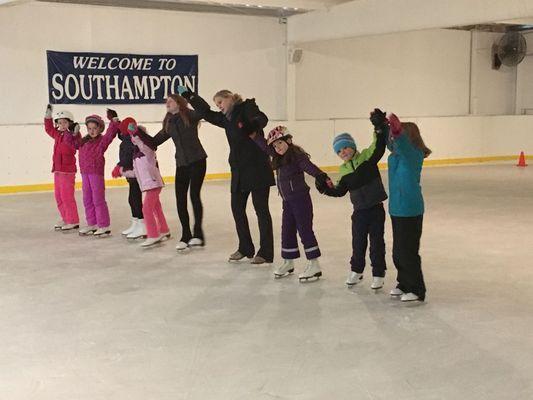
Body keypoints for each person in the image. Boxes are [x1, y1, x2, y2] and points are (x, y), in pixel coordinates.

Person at [181, 88, 275, 264]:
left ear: (230, 98)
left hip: (257, 168)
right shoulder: (225, 118)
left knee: (261, 210)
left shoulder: (247, 107)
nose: (219, 106)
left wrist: (252, 126)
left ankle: (265, 252)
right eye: (217, 104)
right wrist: (190, 96)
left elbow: (261, 118)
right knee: (237, 208)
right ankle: (245, 247)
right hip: (239, 170)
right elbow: (207, 113)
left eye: (220, 102)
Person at [251, 125, 331, 281]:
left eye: (280, 143)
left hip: (301, 200)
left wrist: (321, 175)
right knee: (286, 230)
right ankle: (288, 261)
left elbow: (310, 167)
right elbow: (264, 146)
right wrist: (253, 134)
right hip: (287, 201)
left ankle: (314, 264)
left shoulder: (297, 156)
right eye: (274, 145)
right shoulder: (278, 157)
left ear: (288, 140)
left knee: (305, 230)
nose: (277, 148)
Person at [321, 109, 388, 289]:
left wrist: (379, 127)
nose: (343, 152)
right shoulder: (343, 171)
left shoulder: (367, 157)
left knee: (376, 242)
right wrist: (325, 189)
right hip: (359, 212)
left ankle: (378, 273)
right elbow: (339, 191)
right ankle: (356, 271)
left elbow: (379, 145)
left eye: (345, 147)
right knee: (358, 243)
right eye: (339, 151)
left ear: (353, 146)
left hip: (375, 209)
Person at [149, 93, 207, 252]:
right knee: (180, 199)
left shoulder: (190, 115)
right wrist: (134, 134)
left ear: (179, 103)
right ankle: (186, 235)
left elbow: (204, 110)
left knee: (194, 196)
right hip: (182, 164)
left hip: (198, 161)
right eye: (166, 101)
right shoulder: (169, 122)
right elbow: (154, 141)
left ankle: (198, 234)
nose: (167, 103)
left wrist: (191, 96)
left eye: (170, 100)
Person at [386, 114, 431, 302]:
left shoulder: (413, 154)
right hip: (396, 208)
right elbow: (391, 145)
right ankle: (403, 283)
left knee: (408, 251)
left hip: (410, 209)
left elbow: (402, 145)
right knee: (398, 251)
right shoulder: (395, 156)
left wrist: (398, 132)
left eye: (396, 136)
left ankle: (416, 289)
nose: (393, 140)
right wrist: (381, 128)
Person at [65, 112, 120, 237]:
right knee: (87, 199)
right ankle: (92, 223)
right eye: (89, 128)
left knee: (98, 199)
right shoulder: (84, 141)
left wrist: (114, 121)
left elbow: (110, 135)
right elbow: (72, 144)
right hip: (85, 173)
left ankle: (104, 225)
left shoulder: (101, 141)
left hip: (96, 173)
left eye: (95, 128)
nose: (92, 131)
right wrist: (70, 132)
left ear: (100, 128)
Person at [120, 117, 171, 248]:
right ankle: (164, 230)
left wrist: (135, 133)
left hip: (153, 184)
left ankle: (153, 235)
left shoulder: (147, 150)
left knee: (146, 209)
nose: (133, 140)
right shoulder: (136, 155)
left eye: (135, 138)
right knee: (155, 207)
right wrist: (122, 171)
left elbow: (142, 143)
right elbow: (135, 172)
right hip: (148, 185)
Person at [43, 104, 80, 231]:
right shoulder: (58, 134)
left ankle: (73, 220)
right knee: (58, 196)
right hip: (57, 169)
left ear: (70, 123)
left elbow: (77, 143)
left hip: (67, 171)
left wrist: (75, 132)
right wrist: (48, 115)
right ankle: (65, 218)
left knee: (67, 196)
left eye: (65, 122)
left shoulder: (73, 135)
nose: (62, 125)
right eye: (59, 122)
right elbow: (48, 129)